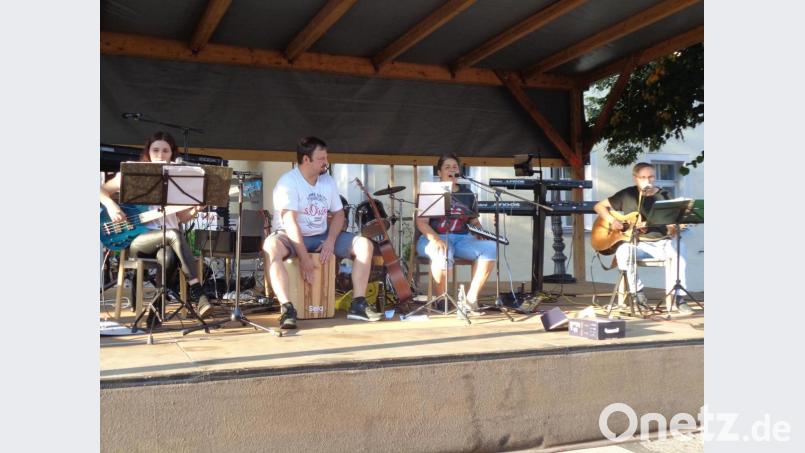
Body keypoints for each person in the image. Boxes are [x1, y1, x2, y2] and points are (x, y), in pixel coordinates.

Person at [263, 136, 378, 329]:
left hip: (321, 235)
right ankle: (287, 308)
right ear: (306, 160)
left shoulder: (328, 181)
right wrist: (304, 258)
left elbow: (339, 214)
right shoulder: (288, 182)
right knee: (271, 246)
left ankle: (358, 304)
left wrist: (331, 241)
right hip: (290, 235)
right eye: (321, 158)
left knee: (365, 245)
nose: (326, 162)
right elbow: (290, 222)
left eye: (326, 157)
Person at [100, 131, 212, 323]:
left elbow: (180, 217)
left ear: (172, 154)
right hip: (138, 240)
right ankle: (198, 291)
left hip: (168, 242)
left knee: (168, 256)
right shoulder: (134, 172)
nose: (160, 154)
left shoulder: (179, 179)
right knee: (174, 235)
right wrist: (111, 205)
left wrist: (195, 210)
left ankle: (155, 311)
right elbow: (101, 190)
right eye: (156, 150)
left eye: (165, 151)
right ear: (148, 152)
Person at [593, 162, 692, 314]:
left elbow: (672, 227)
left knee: (680, 248)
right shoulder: (627, 194)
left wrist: (675, 228)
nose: (648, 180)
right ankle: (637, 293)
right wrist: (613, 221)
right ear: (635, 178)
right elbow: (599, 206)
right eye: (643, 177)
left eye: (651, 176)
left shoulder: (665, 195)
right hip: (639, 244)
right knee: (623, 252)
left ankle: (678, 298)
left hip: (662, 243)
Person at [416, 153, 496, 314]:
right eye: (447, 167)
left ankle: (471, 300)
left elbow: (473, 221)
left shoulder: (467, 193)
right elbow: (421, 223)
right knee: (443, 250)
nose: (452, 170)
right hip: (431, 238)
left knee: (490, 247)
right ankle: (441, 300)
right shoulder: (430, 191)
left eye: (455, 167)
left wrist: (480, 232)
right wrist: (436, 239)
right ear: (439, 173)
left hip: (462, 239)